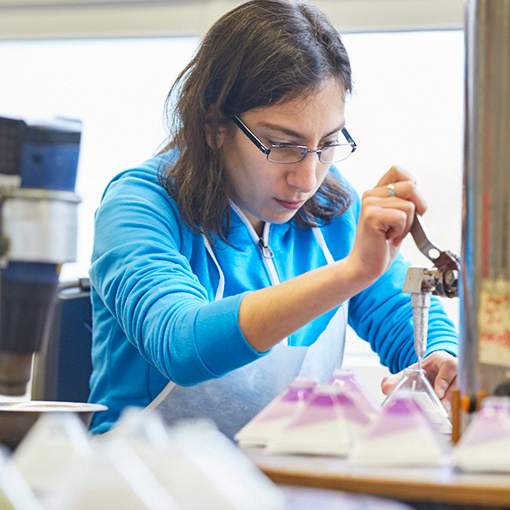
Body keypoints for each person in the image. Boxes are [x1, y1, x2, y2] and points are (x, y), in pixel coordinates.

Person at [88, 0, 458, 438]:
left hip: (285, 479)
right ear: (214, 124)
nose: (307, 178)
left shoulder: (331, 208)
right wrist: (351, 272)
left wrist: (442, 358)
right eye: (283, 144)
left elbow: (399, 312)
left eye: (327, 143)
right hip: (141, 481)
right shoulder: (139, 205)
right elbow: (181, 343)